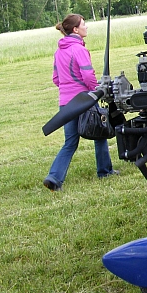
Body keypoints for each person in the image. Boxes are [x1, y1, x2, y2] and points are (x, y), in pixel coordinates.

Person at [43, 14, 118, 191]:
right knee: (99, 134)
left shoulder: (59, 51)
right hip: (84, 100)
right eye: (84, 24)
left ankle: (54, 177)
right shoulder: (79, 50)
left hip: (66, 103)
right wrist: (96, 91)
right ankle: (104, 171)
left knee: (70, 142)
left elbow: (56, 79)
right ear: (75, 29)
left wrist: (68, 88)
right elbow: (88, 75)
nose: (86, 27)